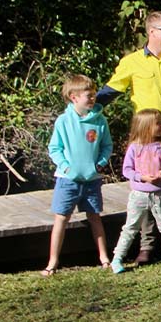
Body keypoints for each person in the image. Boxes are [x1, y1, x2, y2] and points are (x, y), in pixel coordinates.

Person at [97, 10, 161, 265]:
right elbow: (109, 92)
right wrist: (83, 113)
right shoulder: (132, 62)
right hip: (146, 135)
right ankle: (147, 246)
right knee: (143, 190)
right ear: (152, 31)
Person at [42, 74, 113, 276]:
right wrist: (65, 167)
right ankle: (52, 262)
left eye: (93, 95)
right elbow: (55, 148)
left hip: (91, 180)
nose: (93, 99)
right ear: (74, 97)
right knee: (61, 218)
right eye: (88, 96)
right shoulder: (64, 121)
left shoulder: (100, 121)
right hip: (67, 181)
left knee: (95, 217)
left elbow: (106, 146)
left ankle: (104, 257)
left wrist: (99, 164)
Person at [110, 109, 161, 273]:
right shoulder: (135, 148)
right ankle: (117, 258)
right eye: (158, 123)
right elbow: (127, 170)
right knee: (131, 227)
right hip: (139, 195)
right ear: (145, 127)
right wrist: (141, 177)